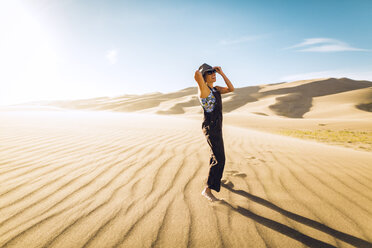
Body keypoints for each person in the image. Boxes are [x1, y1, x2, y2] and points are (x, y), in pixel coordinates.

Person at [194, 63, 235, 202]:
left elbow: (231, 89)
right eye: (210, 72)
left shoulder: (216, 89)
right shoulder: (203, 91)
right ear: (204, 76)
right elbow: (197, 75)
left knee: (215, 155)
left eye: (214, 72)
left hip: (217, 127)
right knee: (220, 159)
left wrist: (222, 73)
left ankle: (214, 179)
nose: (213, 74)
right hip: (211, 128)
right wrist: (202, 72)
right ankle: (207, 190)